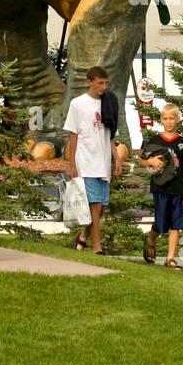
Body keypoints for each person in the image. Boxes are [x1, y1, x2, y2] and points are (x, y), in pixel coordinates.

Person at [64, 65, 122, 253]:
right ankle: (97, 248)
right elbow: (73, 137)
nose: (104, 87)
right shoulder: (77, 104)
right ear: (89, 82)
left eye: (106, 83)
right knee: (94, 206)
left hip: (103, 162)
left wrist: (117, 158)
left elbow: (111, 135)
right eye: (100, 83)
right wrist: (71, 164)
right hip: (86, 162)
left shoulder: (110, 102)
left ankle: (82, 237)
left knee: (102, 207)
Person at [137, 103, 183, 269]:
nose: (169, 122)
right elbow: (140, 161)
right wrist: (151, 161)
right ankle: (151, 239)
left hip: (178, 189)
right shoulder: (154, 141)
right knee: (161, 225)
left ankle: (170, 258)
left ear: (177, 119)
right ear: (161, 119)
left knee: (176, 224)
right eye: (166, 118)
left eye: (172, 118)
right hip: (161, 188)